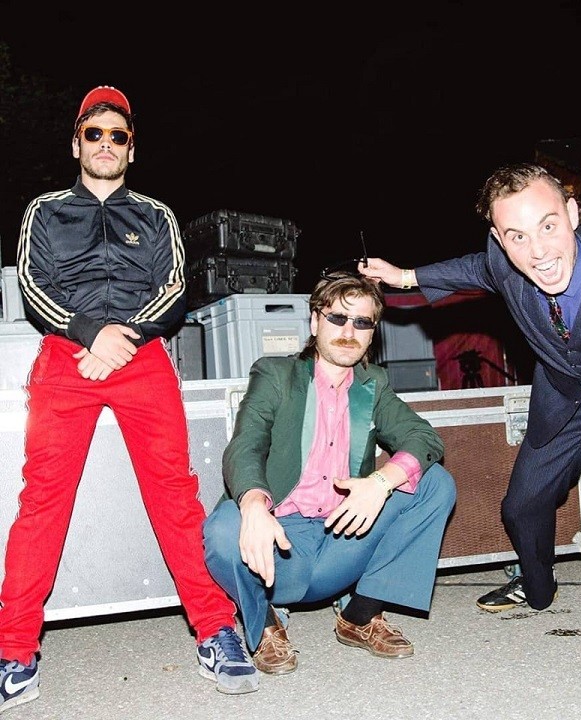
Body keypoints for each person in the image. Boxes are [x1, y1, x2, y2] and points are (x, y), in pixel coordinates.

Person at [357, 161, 581, 698]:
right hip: (570, 389)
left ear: (573, 213)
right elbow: (469, 269)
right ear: (500, 240)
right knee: (522, 505)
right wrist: (405, 276)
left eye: (548, 226)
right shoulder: (501, 262)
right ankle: (536, 584)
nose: (538, 252)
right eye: (517, 236)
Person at [0, 86, 259, 714]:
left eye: (118, 136)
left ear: (131, 150)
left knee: (175, 492)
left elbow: (174, 290)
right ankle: (13, 650)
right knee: (43, 499)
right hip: (67, 353)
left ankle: (215, 629)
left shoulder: (156, 214)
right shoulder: (44, 211)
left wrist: (123, 340)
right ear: (76, 145)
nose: (106, 144)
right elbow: (33, 284)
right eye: (94, 133)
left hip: (141, 357)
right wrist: (90, 333)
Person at [202, 272, 456, 683]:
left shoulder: (373, 384)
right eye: (337, 318)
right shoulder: (276, 375)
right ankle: (264, 624)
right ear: (315, 321)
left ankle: (361, 615)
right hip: (280, 549)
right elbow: (245, 445)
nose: (348, 332)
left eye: (362, 322)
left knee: (435, 484)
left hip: (344, 538)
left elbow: (424, 438)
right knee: (224, 526)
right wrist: (254, 505)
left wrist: (380, 484)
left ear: (372, 333)